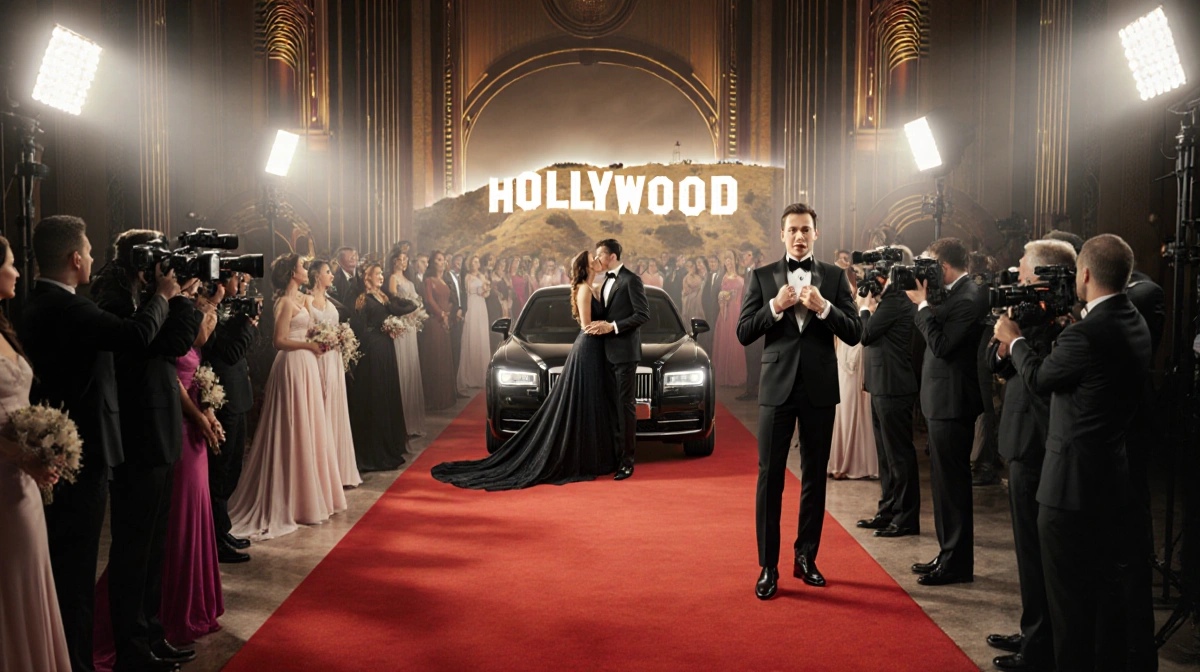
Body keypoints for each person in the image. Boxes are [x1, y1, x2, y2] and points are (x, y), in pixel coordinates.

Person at [993, 234, 1152, 671]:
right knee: (1101, 599)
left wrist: (1016, 340)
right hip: (1109, 478)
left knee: (1070, 611)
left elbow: (1040, 379)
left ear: (1083, 274)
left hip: (1069, 486)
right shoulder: (1133, 319)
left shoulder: (1086, 333)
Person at [21, 216, 172, 671]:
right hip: (79, 455)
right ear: (74, 258)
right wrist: (165, 295)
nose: (91, 258)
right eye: (87, 252)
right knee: (75, 576)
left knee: (73, 572)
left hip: (73, 448)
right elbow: (135, 335)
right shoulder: (68, 307)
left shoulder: (44, 303)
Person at [736, 203, 862, 601]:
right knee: (769, 476)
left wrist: (824, 307)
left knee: (814, 477)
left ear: (815, 233)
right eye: (792, 229)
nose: (799, 236)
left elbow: (855, 331)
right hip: (777, 387)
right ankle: (768, 566)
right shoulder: (761, 277)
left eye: (806, 229)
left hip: (820, 387)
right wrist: (775, 306)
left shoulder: (836, 277)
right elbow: (743, 331)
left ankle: (805, 557)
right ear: (782, 234)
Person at [93, 229, 204, 671]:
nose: (165, 264)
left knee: (155, 547)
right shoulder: (116, 299)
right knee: (134, 549)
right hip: (137, 435)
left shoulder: (150, 296)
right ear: (139, 260)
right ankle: (132, 649)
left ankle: (153, 635)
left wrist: (185, 297)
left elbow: (176, 344)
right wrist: (173, 297)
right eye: (158, 256)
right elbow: (153, 342)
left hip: (160, 431)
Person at [432, 251, 618, 489]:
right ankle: (584, 457)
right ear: (585, 266)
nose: (597, 261)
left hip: (596, 350)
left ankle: (594, 455)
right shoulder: (583, 289)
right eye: (593, 259)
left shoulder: (593, 287)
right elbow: (586, 326)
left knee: (591, 401)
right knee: (583, 402)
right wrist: (610, 327)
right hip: (588, 349)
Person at [984, 239, 1076, 672]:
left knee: (1040, 556)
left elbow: (1042, 380)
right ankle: (1032, 629)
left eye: (1021, 268)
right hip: (1021, 441)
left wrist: (1017, 340)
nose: (1015, 274)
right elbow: (995, 363)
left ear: (1041, 275)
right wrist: (1005, 343)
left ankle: (1040, 646)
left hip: (1039, 443)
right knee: (1027, 553)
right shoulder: (1026, 311)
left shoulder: (1064, 322)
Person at [228, 253, 345, 541]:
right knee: (293, 427)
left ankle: (310, 496)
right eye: (302, 266)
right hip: (292, 365)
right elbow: (278, 341)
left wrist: (325, 339)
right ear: (292, 272)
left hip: (308, 365)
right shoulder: (283, 303)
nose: (306, 269)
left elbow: (313, 325)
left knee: (310, 427)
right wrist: (309, 346)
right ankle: (290, 499)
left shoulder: (304, 299)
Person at [0, 235, 72, 672]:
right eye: (10, 263)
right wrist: (22, 456)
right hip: (6, 478)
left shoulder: (4, 326)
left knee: (28, 574)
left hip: (22, 481)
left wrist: (45, 443)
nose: (17, 272)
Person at [905, 237, 990, 587]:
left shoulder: (969, 297)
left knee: (952, 487)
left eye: (929, 265)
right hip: (942, 402)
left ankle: (956, 563)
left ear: (942, 267)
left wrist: (923, 305)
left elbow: (941, 345)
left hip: (953, 404)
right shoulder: (956, 294)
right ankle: (947, 554)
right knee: (942, 486)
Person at [161, 308, 224, 644]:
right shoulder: (173, 340)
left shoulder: (195, 345)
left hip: (197, 431)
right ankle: (176, 605)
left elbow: (201, 382)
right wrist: (199, 419)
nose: (211, 324)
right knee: (182, 516)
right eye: (208, 319)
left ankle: (198, 601)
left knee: (198, 510)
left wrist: (210, 412)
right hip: (181, 430)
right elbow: (175, 385)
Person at [853, 245, 921, 539]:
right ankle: (888, 511)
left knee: (899, 456)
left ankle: (905, 518)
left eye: (883, 269)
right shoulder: (890, 299)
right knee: (886, 457)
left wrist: (864, 308)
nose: (878, 274)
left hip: (894, 386)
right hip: (882, 385)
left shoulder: (896, 300)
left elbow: (866, 334)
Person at [201, 272, 259, 564]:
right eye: (238, 280)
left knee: (232, 468)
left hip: (238, 396)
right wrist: (247, 325)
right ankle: (216, 537)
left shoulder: (232, 312)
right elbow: (232, 352)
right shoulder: (211, 314)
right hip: (224, 399)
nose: (242, 286)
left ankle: (222, 530)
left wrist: (247, 323)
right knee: (221, 472)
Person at [585, 239, 649, 480]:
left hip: (625, 354)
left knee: (625, 408)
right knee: (611, 408)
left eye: (599, 255)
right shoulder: (603, 282)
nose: (596, 260)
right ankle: (612, 457)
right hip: (605, 354)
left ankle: (627, 462)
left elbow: (642, 314)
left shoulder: (632, 280)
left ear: (612, 256)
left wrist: (612, 327)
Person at [349, 262, 417, 470]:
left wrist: (390, 324)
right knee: (376, 394)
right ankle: (374, 451)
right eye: (377, 274)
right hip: (373, 350)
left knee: (387, 392)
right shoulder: (363, 299)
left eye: (381, 274)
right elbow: (358, 328)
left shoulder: (384, 297)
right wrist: (379, 331)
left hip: (386, 348)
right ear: (367, 277)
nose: (381, 276)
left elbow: (410, 306)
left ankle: (390, 444)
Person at [310, 259, 362, 487]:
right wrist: (321, 338)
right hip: (317, 358)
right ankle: (321, 472)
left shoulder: (331, 300)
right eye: (327, 272)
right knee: (320, 408)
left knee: (334, 406)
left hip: (333, 358)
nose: (332, 275)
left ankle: (339, 470)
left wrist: (342, 335)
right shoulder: (306, 300)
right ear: (316, 276)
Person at [826, 266, 877, 480]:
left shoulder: (867, 296)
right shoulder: (841, 298)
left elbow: (867, 326)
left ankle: (858, 463)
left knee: (857, 405)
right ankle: (840, 461)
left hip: (858, 354)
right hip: (842, 354)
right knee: (842, 406)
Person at [386, 252, 428, 436]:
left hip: (411, 326)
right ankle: (402, 421)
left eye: (405, 259)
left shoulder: (410, 281)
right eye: (400, 259)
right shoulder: (392, 279)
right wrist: (408, 311)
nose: (403, 262)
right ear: (394, 260)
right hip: (402, 324)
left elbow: (417, 300)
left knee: (412, 366)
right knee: (402, 366)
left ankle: (413, 420)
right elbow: (394, 301)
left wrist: (418, 310)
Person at [422, 252, 458, 411]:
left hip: (445, 321)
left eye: (443, 260)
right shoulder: (429, 281)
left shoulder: (445, 280)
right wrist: (442, 315)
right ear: (432, 263)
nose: (442, 262)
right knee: (436, 358)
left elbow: (449, 300)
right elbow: (429, 300)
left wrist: (450, 311)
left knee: (444, 357)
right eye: (438, 259)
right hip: (435, 323)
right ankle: (435, 399)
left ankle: (446, 397)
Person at [456, 255, 492, 392]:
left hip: (481, 306)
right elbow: (465, 293)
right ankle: (470, 376)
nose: (475, 264)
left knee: (481, 336)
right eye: (473, 262)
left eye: (477, 262)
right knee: (471, 335)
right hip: (472, 305)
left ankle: (481, 375)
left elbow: (486, 294)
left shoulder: (482, 276)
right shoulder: (467, 277)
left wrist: (485, 290)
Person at [713, 250, 746, 387]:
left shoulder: (741, 278)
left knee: (735, 342)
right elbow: (719, 295)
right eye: (726, 259)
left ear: (735, 260)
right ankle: (724, 375)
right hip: (726, 312)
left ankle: (735, 374)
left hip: (736, 312)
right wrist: (723, 296)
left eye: (730, 259)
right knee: (725, 340)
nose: (728, 262)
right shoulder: (723, 277)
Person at [739, 248, 765, 402]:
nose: (744, 257)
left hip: (758, 320)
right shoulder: (748, 272)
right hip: (748, 319)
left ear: (754, 257)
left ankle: (757, 391)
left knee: (757, 356)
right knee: (750, 356)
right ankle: (751, 389)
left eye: (747, 254)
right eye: (743, 254)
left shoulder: (760, 271)